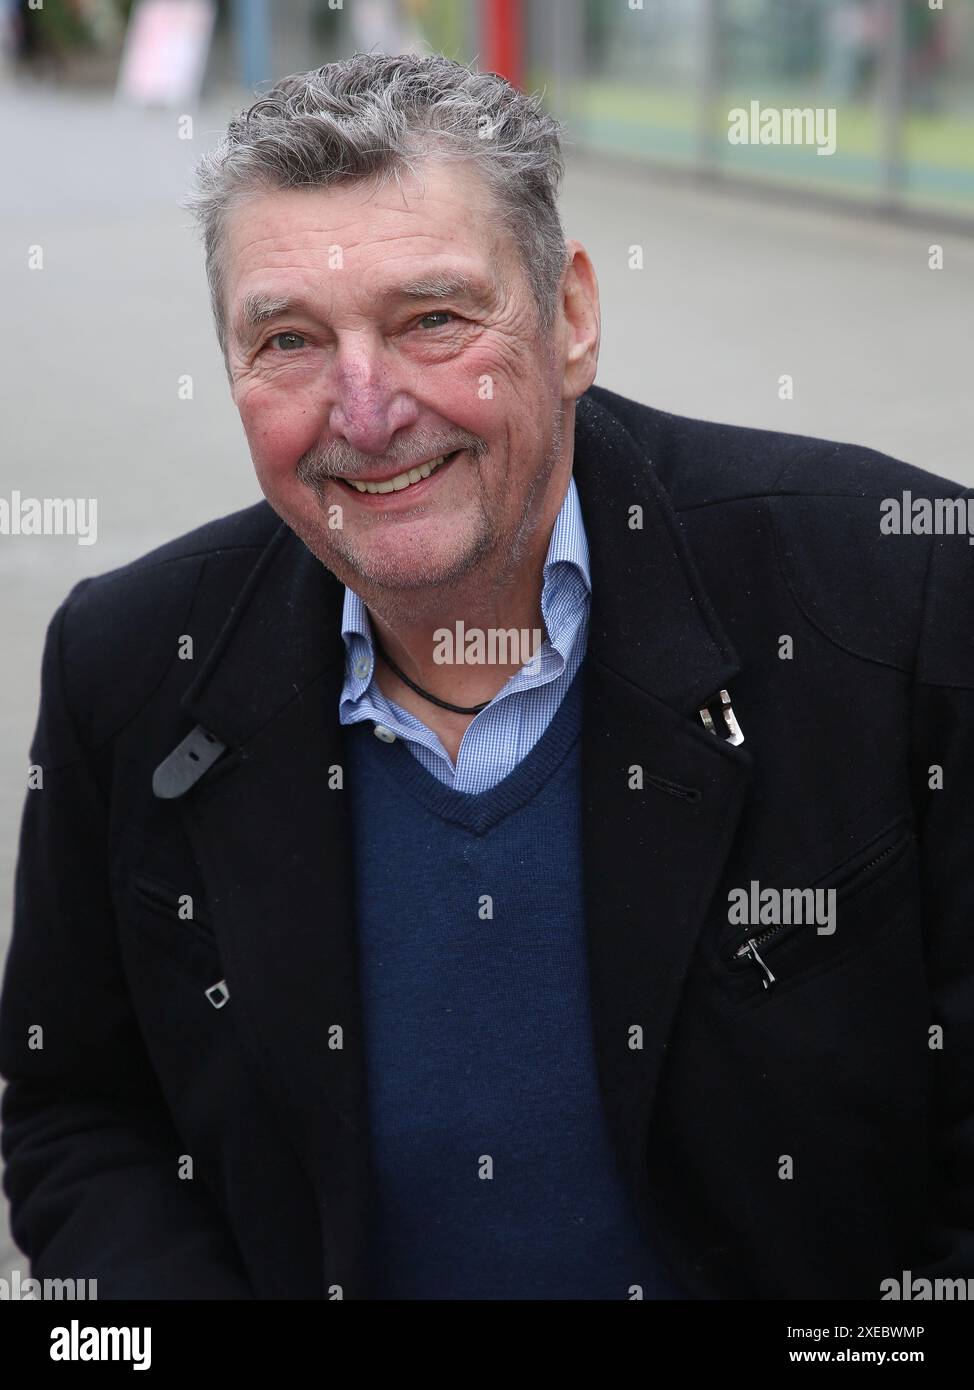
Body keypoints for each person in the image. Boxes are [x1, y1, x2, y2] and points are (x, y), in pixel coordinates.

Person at [1, 52, 971, 1301]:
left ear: (568, 318)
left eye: (433, 320)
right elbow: (79, 1110)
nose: (365, 407)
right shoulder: (126, 663)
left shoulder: (897, 597)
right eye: (289, 338)